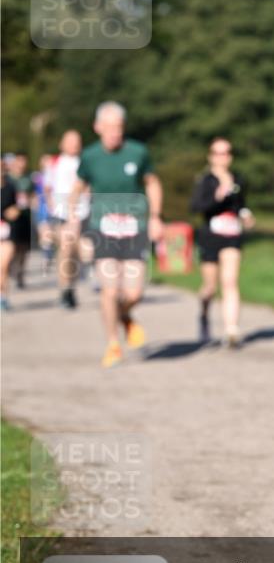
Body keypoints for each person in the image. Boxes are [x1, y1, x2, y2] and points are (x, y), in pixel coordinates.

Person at [68, 102, 163, 368]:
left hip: (134, 226)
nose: (114, 133)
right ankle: (113, 344)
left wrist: (156, 216)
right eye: (109, 127)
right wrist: (73, 219)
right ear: (97, 127)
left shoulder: (138, 152)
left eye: (119, 127)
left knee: (134, 293)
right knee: (109, 290)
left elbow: (153, 183)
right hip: (103, 227)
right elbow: (78, 187)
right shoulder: (90, 156)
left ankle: (124, 316)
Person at [190, 137, 254, 347]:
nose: (222, 157)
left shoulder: (238, 180)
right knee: (210, 287)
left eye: (226, 153)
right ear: (211, 156)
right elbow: (196, 207)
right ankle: (204, 313)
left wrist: (245, 214)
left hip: (232, 235)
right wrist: (217, 196)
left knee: (230, 281)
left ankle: (231, 330)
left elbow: (241, 204)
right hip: (210, 236)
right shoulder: (205, 180)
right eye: (218, 153)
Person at [45, 130, 92, 309]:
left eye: (77, 141)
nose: (74, 144)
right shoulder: (54, 163)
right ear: (62, 144)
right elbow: (47, 188)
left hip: (84, 213)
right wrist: (52, 206)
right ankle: (66, 289)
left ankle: (76, 284)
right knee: (66, 251)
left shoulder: (86, 162)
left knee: (85, 253)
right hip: (63, 215)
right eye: (70, 141)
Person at [8, 151, 34, 288]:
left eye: (24, 161)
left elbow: (34, 195)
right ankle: (10, 268)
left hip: (25, 216)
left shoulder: (29, 178)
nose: (21, 164)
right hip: (11, 218)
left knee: (24, 248)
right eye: (19, 161)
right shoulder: (8, 178)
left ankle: (20, 273)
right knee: (11, 247)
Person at [1, 160, 20, 310]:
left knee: (3, 265)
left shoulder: (11, 187)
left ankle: (3, 296)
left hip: (6, 232)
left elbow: (17, 206)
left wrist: (14, 212)